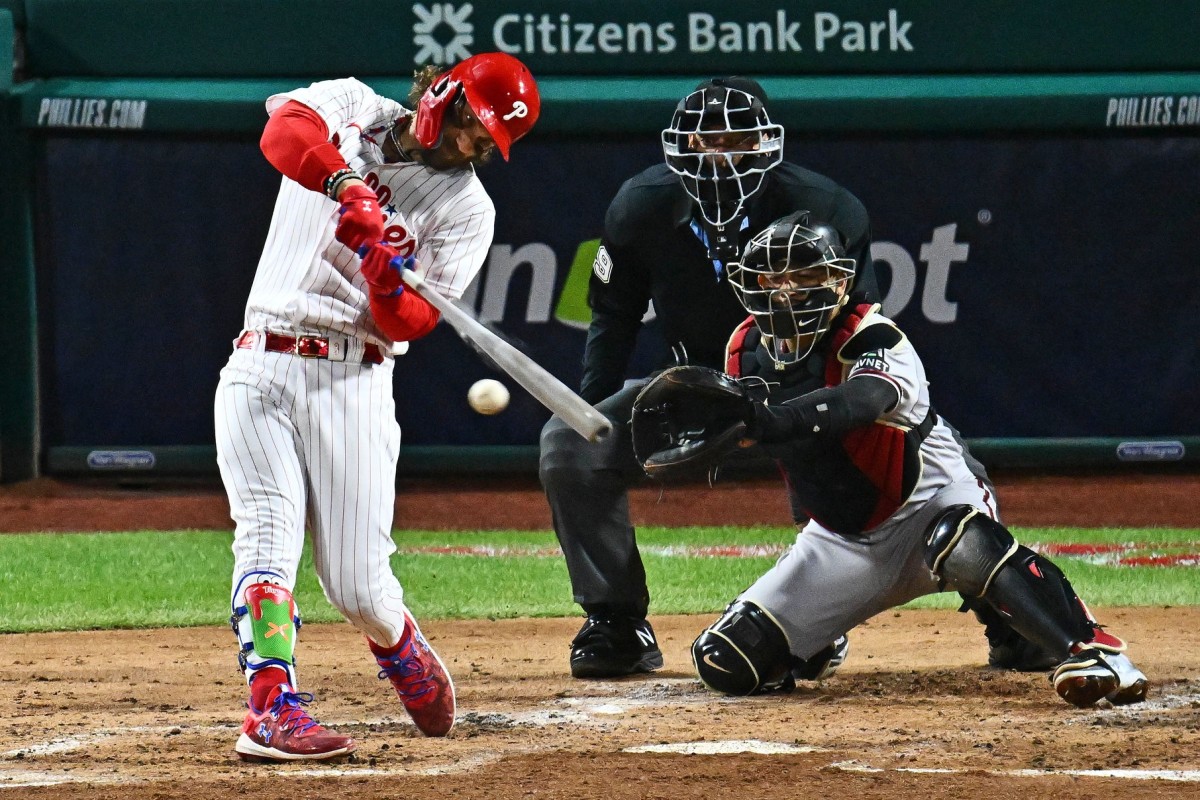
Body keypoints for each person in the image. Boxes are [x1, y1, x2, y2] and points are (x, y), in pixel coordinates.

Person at [630, 212, 1149, 708]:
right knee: (727, 661)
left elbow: (860, 403)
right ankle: (819, 639)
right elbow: (799, 456)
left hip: (931, 501)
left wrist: (767, 420)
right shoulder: (744, 348)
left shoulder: (874, 336)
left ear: (837, 283)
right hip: (843, 538)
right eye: (773, 278)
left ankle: (1091, 652)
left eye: (805, 275)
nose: (786, 290)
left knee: (962, 541)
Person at [214, 53, 540, 762]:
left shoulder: (467, 209)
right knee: (266, 536)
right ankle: (271, 708)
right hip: (258, 359)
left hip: (351, 380)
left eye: (485, 145)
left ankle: (395, 638)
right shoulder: (350, 103)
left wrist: (382, 268)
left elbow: (407, 325)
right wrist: (346, 184)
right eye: (468, 126)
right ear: (442, 93)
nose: (466, 147)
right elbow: (283, 133)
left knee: (357, 584)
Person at [538, 76, 879, 680]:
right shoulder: (640, 205)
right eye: (705, 138)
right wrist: (591, 413)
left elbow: (860, 329)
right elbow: (612, 318)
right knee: (566, 441)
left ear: (764, 144)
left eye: (736, 139)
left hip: (800, 393)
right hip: (691, 390)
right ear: (682, 142)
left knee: (934, 462)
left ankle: (832, 615)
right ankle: (616, 622)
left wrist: (818, 412)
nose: (719, 153)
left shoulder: (826, 209)